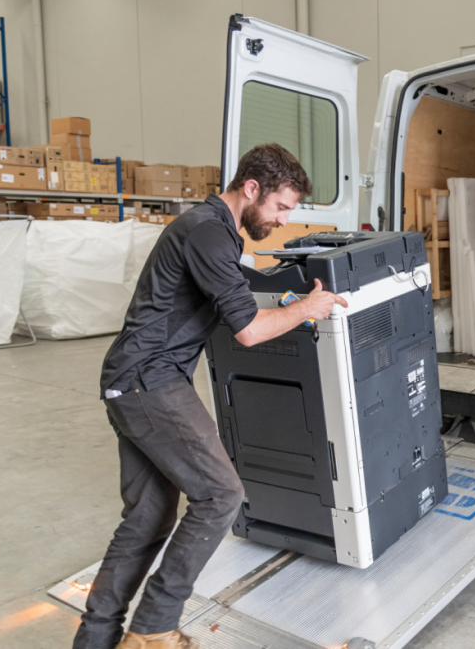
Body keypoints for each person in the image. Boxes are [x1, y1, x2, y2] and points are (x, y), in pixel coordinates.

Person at [73, 143, 348, 649]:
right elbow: (246, 331)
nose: (283, 219)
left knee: (148, 519)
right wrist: (307, 308)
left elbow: (232, 290)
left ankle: (95, 640)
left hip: (132, 379)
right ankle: (154, 629)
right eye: (281, 207)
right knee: (221, 495)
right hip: (150, 382)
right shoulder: (208, 232)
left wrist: (284, 300)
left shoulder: (213, 229)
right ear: (251, 189)